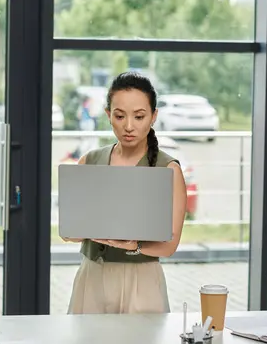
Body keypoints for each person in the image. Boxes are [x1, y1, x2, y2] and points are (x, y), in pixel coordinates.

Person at [63, 72, 187, 314]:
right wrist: (75, 232)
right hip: (92, 278)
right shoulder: (90, 161)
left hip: (142, 281)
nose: (129, 126)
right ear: (109, 115)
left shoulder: (168, 169)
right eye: (120, 116)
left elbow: (170, 245)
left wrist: (134, 245)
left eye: (139, 116)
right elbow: (71, 232)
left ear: (153, 116)